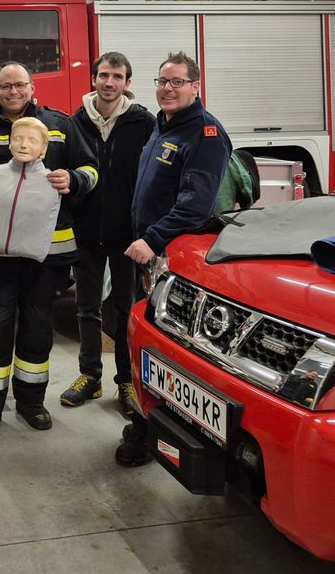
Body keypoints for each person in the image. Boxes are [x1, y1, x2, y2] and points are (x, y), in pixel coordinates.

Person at [0, 62, 98, 441]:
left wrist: (73, 179)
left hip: (49, 256)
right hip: (0, 256)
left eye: (19, 85)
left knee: (38, 328)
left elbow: (92, 167)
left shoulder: (61, 125)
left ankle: (31, 403)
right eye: (6, 86)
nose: (13, 91)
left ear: (31, 86)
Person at [116, 51, 231, 466]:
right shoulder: (163, 127)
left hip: (172, 260)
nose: (168, 88)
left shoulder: (204, 134)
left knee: (169, 352)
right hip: (150, 257)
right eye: (163, 81)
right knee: (148, 345)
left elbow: (195, 207)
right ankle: (149, 426)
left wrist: (152, 237)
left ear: (196, 86)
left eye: (178, 82)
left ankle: (155, 433)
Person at [60, 53, 155, 417]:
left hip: (127, 235)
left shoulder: (143, 123)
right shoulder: (76, 122)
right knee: (86, 308)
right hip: (85, 231)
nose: (109, 82)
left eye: (117, 76)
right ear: (94, 78)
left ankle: (127, 381)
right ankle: (90, 376)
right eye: (103, 75)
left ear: (127, 83)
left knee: (126, 309)